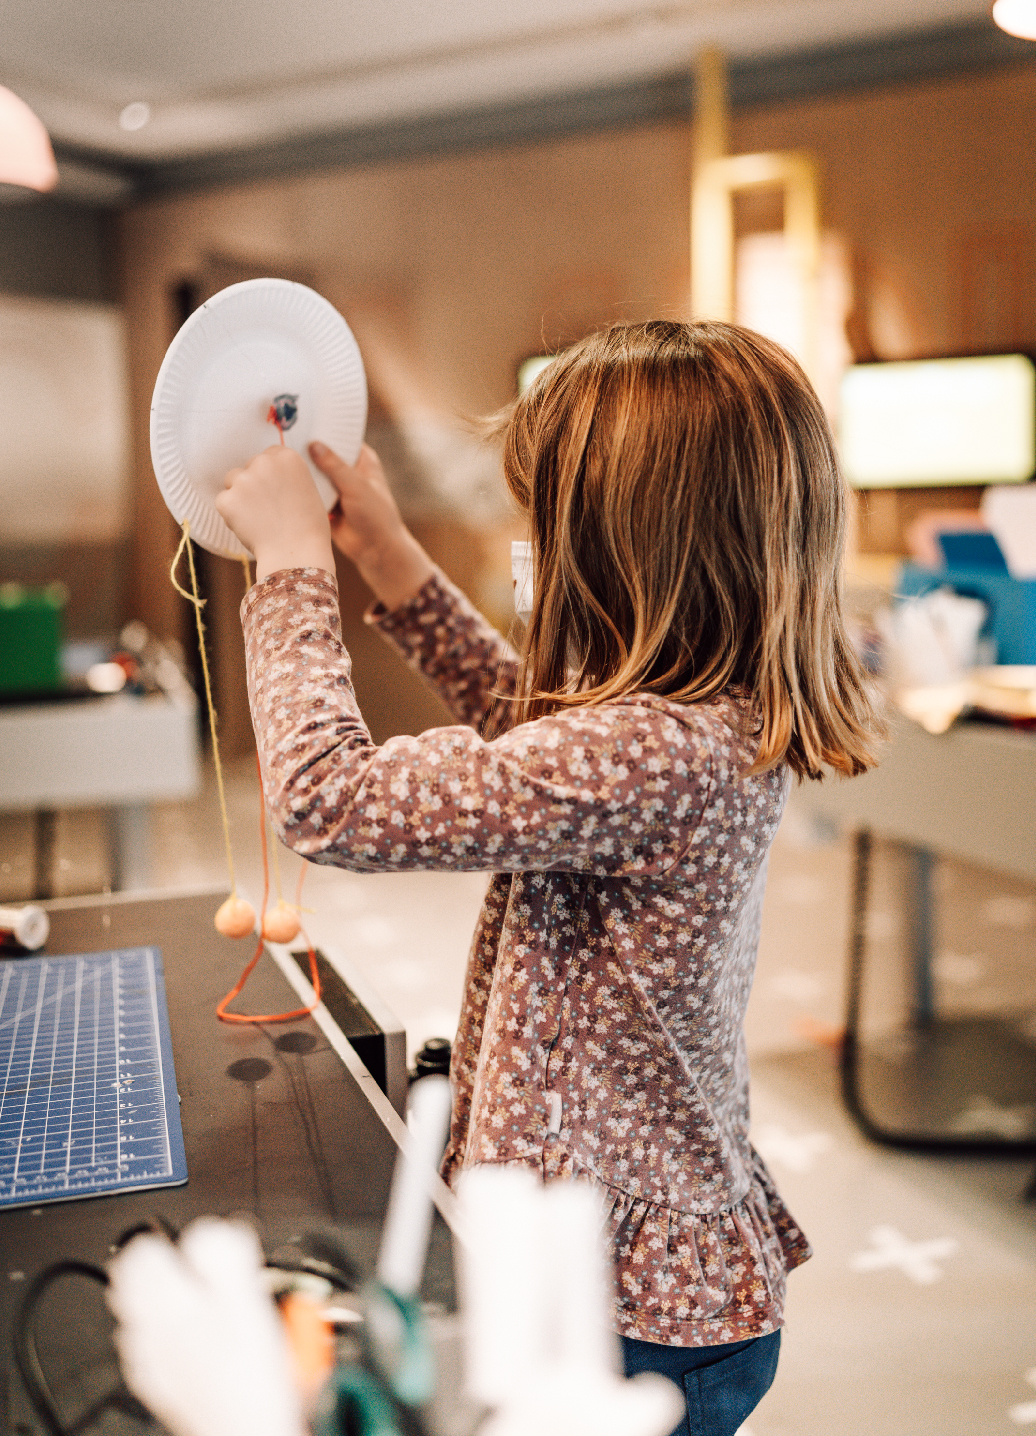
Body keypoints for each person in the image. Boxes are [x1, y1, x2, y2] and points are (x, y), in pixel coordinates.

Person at [216, 320, 884, 1436]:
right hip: (641, 1277)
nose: (531, 544)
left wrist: (292, 568)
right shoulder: (691, 724)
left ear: (622, 548)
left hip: (623, 1314)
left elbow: (325, 799)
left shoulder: (648, 750)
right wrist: (385, 554)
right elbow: (532, 732)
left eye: (545, 522)